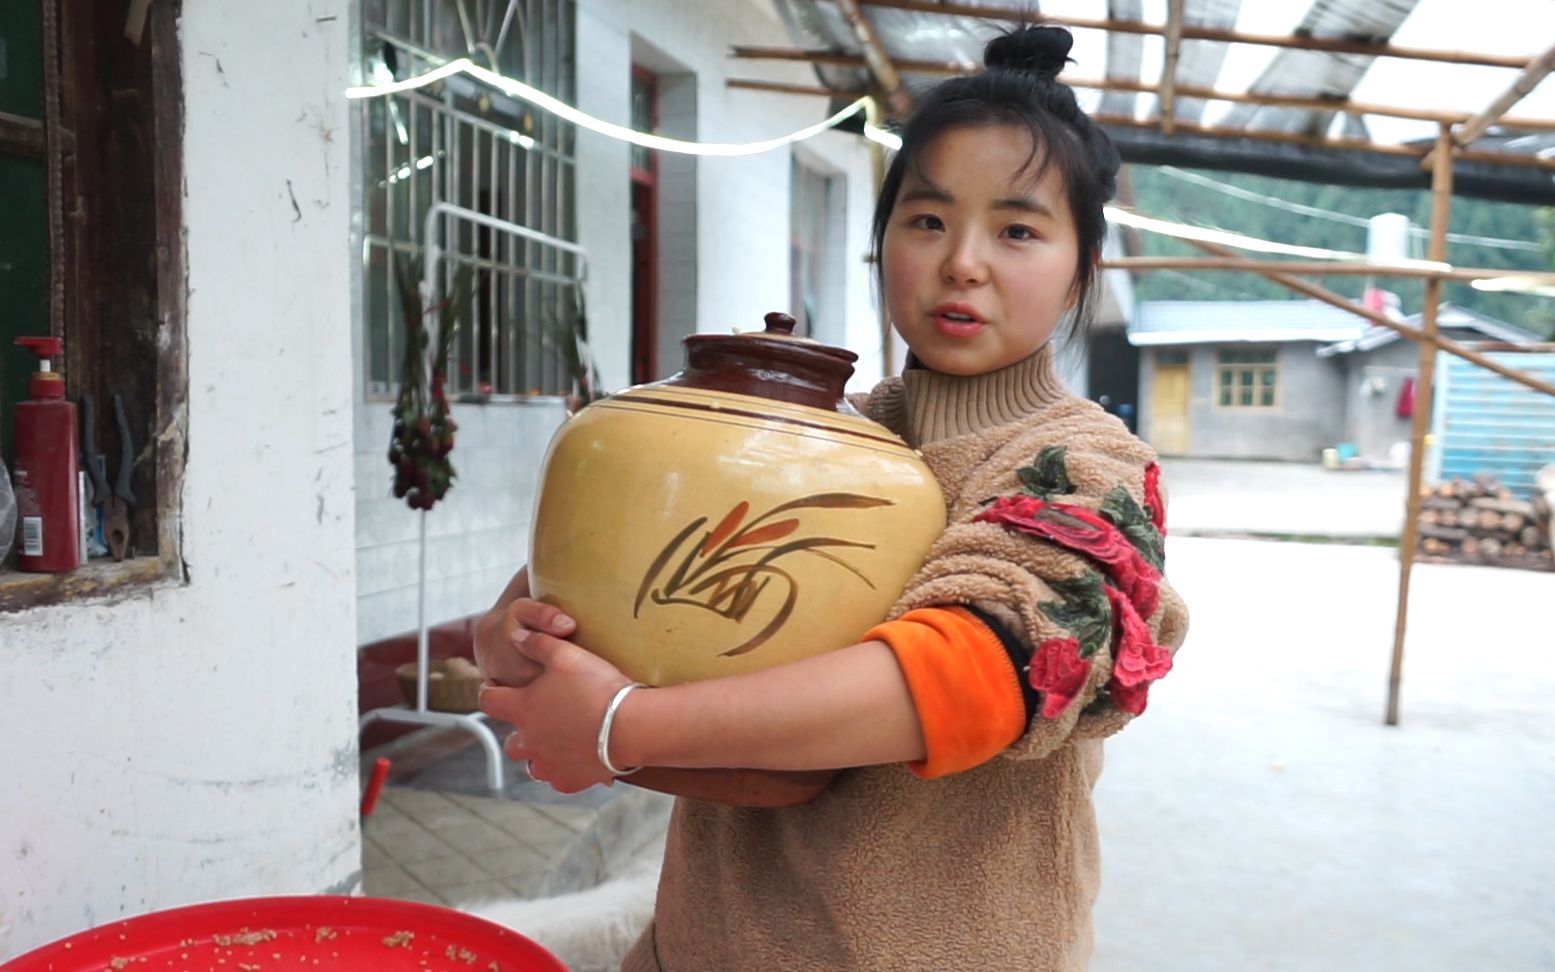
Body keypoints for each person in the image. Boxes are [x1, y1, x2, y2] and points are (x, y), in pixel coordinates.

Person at [476, 23, 1189, 971]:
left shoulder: (1083, 469)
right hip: (707, 935)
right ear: (882, 242)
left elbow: (980, 671)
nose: (962, 262)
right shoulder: (795, 446)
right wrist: (524, 640)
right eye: (925, 220)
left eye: (1017, 229)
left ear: (1078, 271)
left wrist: (618, 727)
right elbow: (595, 601)